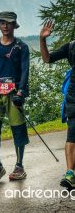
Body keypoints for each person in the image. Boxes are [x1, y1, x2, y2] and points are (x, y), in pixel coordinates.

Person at [0, 11, 30, 182]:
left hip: (14, 92)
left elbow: (25, 71)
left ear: (14, 25)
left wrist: (21, 92)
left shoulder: (21, 47)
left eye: (8, 23)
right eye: (2, 23)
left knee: (18, 127)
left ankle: (19, 166)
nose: (5, 26)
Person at [40, 20, 75, 189]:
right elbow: (47, 59)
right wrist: (42, 40)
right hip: (74, 98)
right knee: (72, 135)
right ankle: (70, 173)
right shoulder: (70, 47)